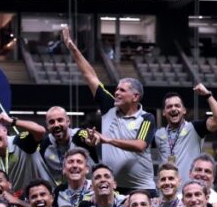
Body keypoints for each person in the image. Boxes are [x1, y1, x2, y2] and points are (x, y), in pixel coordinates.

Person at [63, 26, 157, 194]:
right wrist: (73, 48)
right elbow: (90, 76)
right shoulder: (109, 107)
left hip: (142, 188)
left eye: (122, 90)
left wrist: (107, 140)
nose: (116, 92)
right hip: (112, 188)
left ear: (135, 97)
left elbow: (140, 145)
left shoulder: (146, 118)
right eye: (117, 89)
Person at [154, 84, 217, 181]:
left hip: (189, 192)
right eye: (169, 106)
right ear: (164, 112)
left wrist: (207, 95)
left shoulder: (194, 128)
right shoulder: (158, 134)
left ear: (184, 110)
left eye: (177, 106)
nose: (173, 109)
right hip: (167, 191)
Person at [0, 113, 47, 193]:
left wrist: (12, 121)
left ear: (5, 130)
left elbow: (41, 131)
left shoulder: (20, 141)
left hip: (44, 196)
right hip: (19, 202)